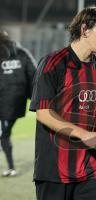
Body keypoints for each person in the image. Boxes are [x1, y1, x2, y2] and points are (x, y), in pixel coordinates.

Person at [29, 6, 96, 200]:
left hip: (93, 168)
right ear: (85, 29)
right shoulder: (53, 63)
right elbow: (43, 112)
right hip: (54, 170)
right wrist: (83, 134)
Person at [0, 30, 36, 177]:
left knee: (4, 134)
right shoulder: (22, 53)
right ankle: (11, 166)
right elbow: (33, 74)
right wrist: (33, 97)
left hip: (3, 100)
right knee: (5, 133)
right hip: (18, 101)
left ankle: (11, 167)